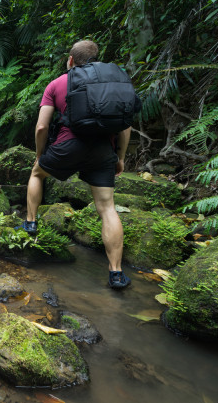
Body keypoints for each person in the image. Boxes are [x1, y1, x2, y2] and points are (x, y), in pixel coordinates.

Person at [18, 40, 132, 289]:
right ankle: (116, 273)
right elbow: (125, 126)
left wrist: (40, 155)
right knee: (107, 208)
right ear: (96, 59)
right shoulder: (113, 83)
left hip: (67, 146)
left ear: (70, 60)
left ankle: (31, 222)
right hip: (103, 151)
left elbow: (41, 126)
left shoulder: (58, 83)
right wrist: (120, 157)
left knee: (37, 174)